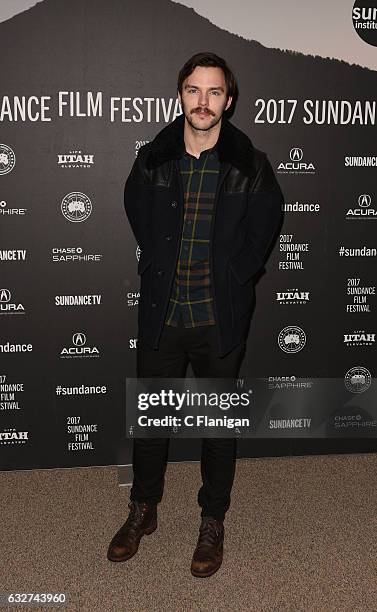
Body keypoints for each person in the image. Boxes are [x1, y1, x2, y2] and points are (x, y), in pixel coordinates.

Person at [107, 51, 284, 577]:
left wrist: (237, 274)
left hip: (218, 318)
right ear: (180, 94)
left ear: (228, 101)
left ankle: (212, 519)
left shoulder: (249, 163)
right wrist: (161, 258)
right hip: (163, 313)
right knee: (152, 424)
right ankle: (143, 510)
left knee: (215, 425)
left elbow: (267, 221)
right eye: (193, 90)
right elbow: (135, 206)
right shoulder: (155, 159)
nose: (202, 102)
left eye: (213, 92)